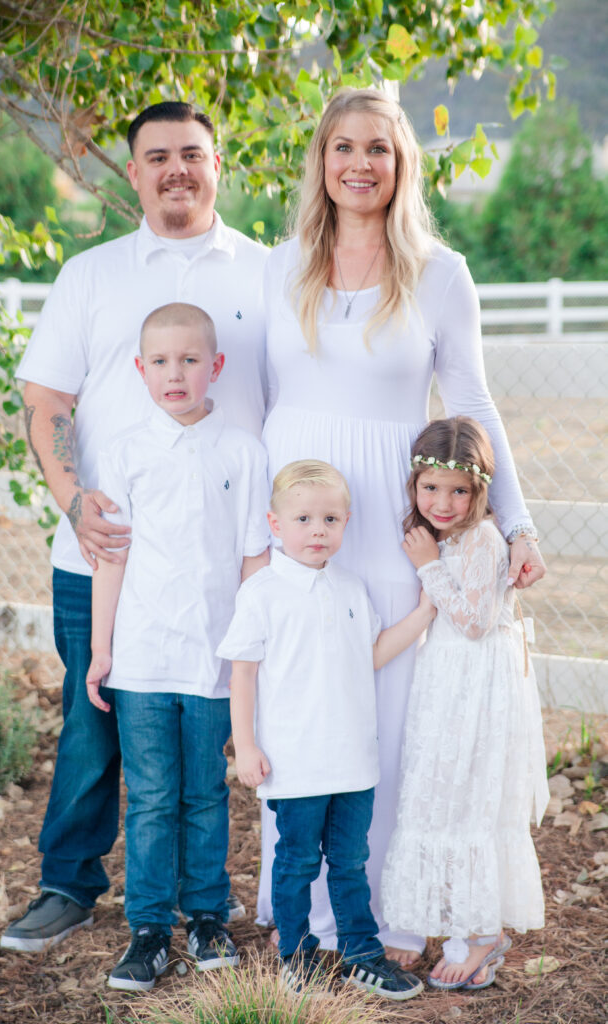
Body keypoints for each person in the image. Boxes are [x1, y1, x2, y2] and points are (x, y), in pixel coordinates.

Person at [258, 86, 547, 963]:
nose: (358, 163)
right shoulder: (276, 268)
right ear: (320, 161)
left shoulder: (438, 272)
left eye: (376, 149)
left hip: (387, 523)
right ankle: (299, 920)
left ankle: (380, 916)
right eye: (341, 147)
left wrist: (517, 519)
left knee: (382, 718)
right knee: (300, 712)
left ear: (401, 164)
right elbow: (257, 403)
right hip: (293, 522)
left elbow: (469, 402)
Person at [1, 101, 268, 953]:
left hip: (225, 565)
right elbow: (46, 404)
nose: (175, 170)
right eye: (157, 157)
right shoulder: (93, 274)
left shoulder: (265, 273)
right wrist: (75, 501)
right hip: (103, 555)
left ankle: (240, 900)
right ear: (133, 171)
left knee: (221, 743)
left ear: (217, 161)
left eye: (192, 153)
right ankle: (68, 885)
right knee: (95, 724)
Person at [84, 302, 270, 990]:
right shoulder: (126, 452)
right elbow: (112, 558)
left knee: (204, 795)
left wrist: (249, 653)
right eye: (160, 361)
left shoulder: (242, 450)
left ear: (214, 366)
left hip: (214, 660)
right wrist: (102, 651)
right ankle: (149, 929)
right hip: (142, 657)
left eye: (190, 359)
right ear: (140, 370)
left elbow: (255, 560)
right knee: (153, 796)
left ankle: (206, 914)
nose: (175, 373)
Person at [218, 459, 434, 1000]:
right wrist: (245, 745)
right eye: (304, 519)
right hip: (295, 762)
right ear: (275, 523)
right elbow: (242, 673)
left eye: (331, 520)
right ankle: (297, 955)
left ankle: (362, 952)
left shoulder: (350, 587)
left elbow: (372, 655)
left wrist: (425, 613)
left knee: (351, 860)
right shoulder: (263, 592)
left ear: (346, 522)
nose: (318, 530)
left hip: (353, 761)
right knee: (294, 863)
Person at [381, 416, 549, 990]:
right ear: (414, 485)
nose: (443, 502)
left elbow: (475, 622)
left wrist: (427, 565)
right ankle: (454, 924)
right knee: (439, 791)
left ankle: (480, 934)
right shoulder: (446, 533)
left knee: (469, 796)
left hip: (476, 683)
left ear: (480, 490)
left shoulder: (478, 538)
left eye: (459, 490)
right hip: (447, 679)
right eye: (431, 488)